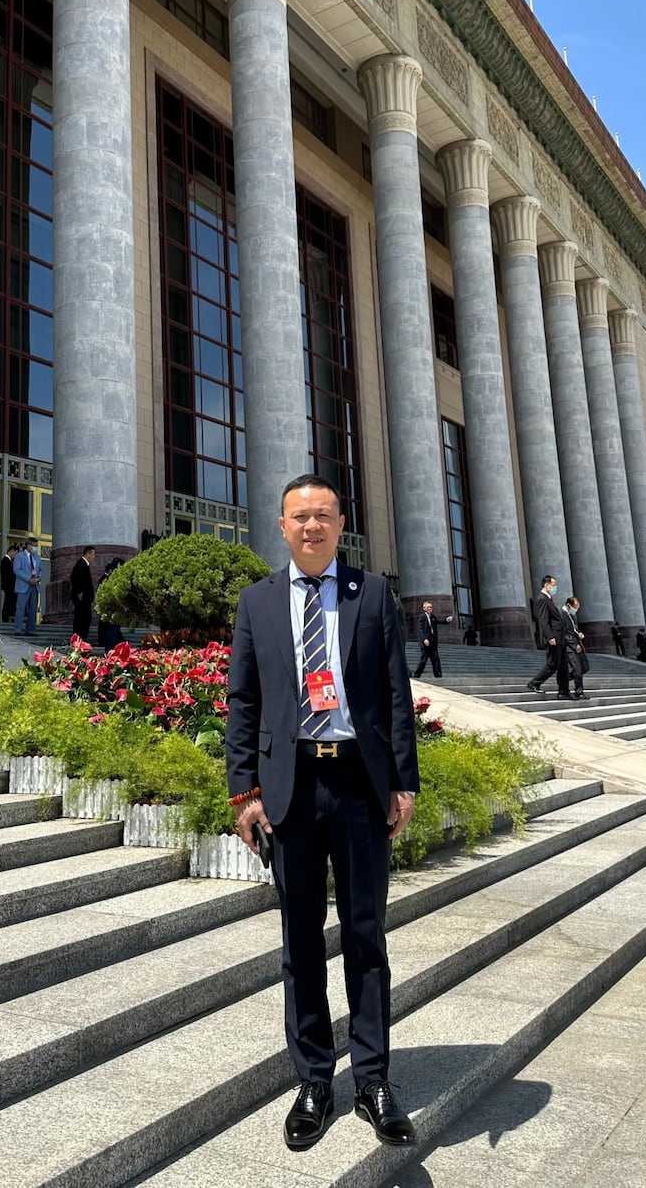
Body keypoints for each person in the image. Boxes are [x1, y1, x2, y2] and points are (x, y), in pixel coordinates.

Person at [226, 474, 418, 1152]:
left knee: (366, 937)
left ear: (341, 524)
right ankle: (313, 1081)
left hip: (359, 786)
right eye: (300, 517)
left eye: (324, 516)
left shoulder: (373, 595)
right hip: (292, 790)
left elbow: (395, 692)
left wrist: (402, 783)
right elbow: (243, 700)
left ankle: (373, 1080)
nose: (312, 526)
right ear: (282, 526)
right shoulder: (257, 601)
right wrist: (244, 791)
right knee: (301, 942)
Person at [527, 575, 571, 699]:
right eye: (553, 585)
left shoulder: (549, 599)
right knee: (553, 664)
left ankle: (564, 692)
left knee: (563, 666)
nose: (555, 588)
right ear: (546, 585)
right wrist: (550, 636)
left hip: (560, 637)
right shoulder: (541, 599)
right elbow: (543, 620)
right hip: (554, 637)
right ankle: (534, 683)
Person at [411, 601, 453, 678]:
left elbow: (439, 621)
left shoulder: (433, 617)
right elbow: (420, 629)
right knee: (424, 660)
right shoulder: (422, 617)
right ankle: (417, 675)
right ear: (424, 608)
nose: (430, 608)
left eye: (431, 607)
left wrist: (446, 620)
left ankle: (438, 675)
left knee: (436, 659)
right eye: (428, 607)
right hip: (425, 642)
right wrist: (424, 639)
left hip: (433, 642)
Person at [13, 538, 42, 637]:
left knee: (33, 608)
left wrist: (38, 578)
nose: (35, 548)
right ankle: (18, 629)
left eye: (36, 546)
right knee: (21, 607)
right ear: (28, 545)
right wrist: (28, 578)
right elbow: (17, 570)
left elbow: (40, 570)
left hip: (35, 586)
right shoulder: (20, 556)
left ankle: (30, 630)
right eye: (34, 545)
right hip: (23, 585)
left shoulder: (37, 557)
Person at [562, 596, 589, 699]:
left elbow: (575, 629)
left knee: (585, 667)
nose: (576, 610)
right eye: (575, 607)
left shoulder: (573, 615)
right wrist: (574, 644)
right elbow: (563, 633)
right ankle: (579, 692)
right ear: (569, 605)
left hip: (578, 643)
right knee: (577, 669)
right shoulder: (561, 615)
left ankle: (563, 679)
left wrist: (579, 633)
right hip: (569, 646)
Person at [97, 558, 123, 653]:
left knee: (111, 630)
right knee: (111, 630)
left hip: (111, 609)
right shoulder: (111, 579)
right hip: (111, 609)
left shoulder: (111, 578)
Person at [70, 545, 96, 641]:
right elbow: (74, 578)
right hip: (82, 598)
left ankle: (81, 638)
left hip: (85, 597)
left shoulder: (84, 564)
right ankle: (79, 639)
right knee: (81, 619)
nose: (93, 557)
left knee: (84, 618)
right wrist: (79, 592)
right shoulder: (81, 564)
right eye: (93, 554)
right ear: (87, 554)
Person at [0, 542, 18, 623]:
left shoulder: (8, 561)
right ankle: (6, 618)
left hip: (9, 586)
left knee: (8, 602)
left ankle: (8, 617)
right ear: (11, 551)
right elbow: (10, 575)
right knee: (8, 603)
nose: (15, 556)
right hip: (9, 586)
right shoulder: (6, 561)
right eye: (15, 553)